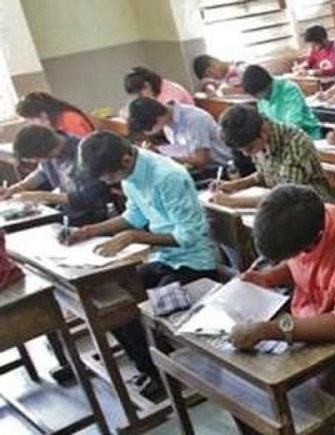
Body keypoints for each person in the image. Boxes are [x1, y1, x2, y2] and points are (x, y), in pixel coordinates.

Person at [67, 131, 219, 403]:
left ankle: (169, 372)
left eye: (108, 176)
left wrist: (134, 237)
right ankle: (152, 370)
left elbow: (188, 236)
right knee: (110, 301)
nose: (106, 182)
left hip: (195, 264)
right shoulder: (131, 174)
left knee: (152, 308)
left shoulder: (167, 176)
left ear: (126, 160)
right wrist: (90, 230)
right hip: (162, 258)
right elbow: (134, 216)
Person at [229, 184, 335, 398]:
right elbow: (297, 262)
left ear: (314, 240)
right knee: (250, 374)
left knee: (304, 391)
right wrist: (268, 277)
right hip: (309, 319)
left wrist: (269, 330)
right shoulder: (305, 221)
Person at [214, 104, 330, 207]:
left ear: (263, 132)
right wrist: (233, 185)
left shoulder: (295, 143)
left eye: (250, 149)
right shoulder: (257, 137)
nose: (246, 154)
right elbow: (263, 174)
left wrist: (232, 202)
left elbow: (286, 197)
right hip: (283, 205)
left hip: (312, 207)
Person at [0, 125, 112, 225]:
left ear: (46, 152)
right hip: (67, 213)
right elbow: (42, 173)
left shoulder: (83, 154)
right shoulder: (50, 149)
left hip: (91, 218)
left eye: (36, 159)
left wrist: (41, 196)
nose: (36, 162)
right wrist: (18, 187)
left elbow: (89, 198)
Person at [127, 97, 232, 179]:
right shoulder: (167, 122)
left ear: (158, 118)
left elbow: (201, 161)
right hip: (198, 167)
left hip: (221, 168)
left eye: (149, 130)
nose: (149, 134)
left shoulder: (194, 120)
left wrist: (164, 156)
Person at [240, 65, 322, 139]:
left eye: (258, 94)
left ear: (267, 85)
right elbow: (264, 122)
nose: (258, 98)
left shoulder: (288, 89)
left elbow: (294, 123)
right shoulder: (261, 99)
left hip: (306, 135)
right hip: (280, 138)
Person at [15, 92, 94, 137]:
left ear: (43, 115)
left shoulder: (69, 119)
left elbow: (81, 146)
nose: (30, 124)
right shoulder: (53, 124)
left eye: (31, 119)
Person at [124, 66, 194, 106]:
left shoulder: (171, 95)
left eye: (139, 93)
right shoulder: (156, 89)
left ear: (147, 85)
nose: (139, 97)